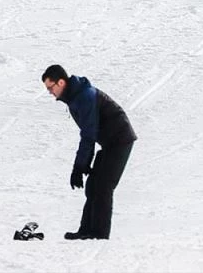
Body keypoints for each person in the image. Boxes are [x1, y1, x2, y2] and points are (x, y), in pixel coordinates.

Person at [41, 64, 136, 240]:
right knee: (93, 185)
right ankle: (86, 230)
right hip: (109, 143)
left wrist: (79, 166)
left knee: (103, 186)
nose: (50, 93)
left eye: (50, 88)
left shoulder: (84, 96)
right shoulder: (75, 97)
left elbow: (88, 134)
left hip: (120, 141)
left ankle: (99, 235)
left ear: (60, 82)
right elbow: (89, 133)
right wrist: (82, 165)